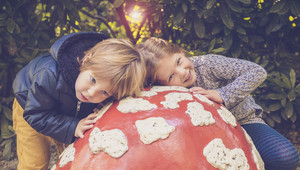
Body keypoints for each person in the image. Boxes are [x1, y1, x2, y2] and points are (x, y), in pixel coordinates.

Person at [137, 37, 299, 170]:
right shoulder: (162, 91)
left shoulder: (207, 64)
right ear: (162, 84)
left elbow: (257, 72)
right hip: (201, 136)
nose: (182, 72)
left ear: (181, 52)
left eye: (178, 61)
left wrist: (222, 94)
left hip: (243, 122)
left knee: (286, 157)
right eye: (171, 77)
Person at [12, 32, 146, 170]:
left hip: (65, 109)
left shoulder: (94, 90)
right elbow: (35, 115)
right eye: (93, 80)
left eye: (104, 92)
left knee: (66, 155)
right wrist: (72, 127)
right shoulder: (48, 74)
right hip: (32, 106)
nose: (91, 93)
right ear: (86, 60)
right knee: (35, 162)